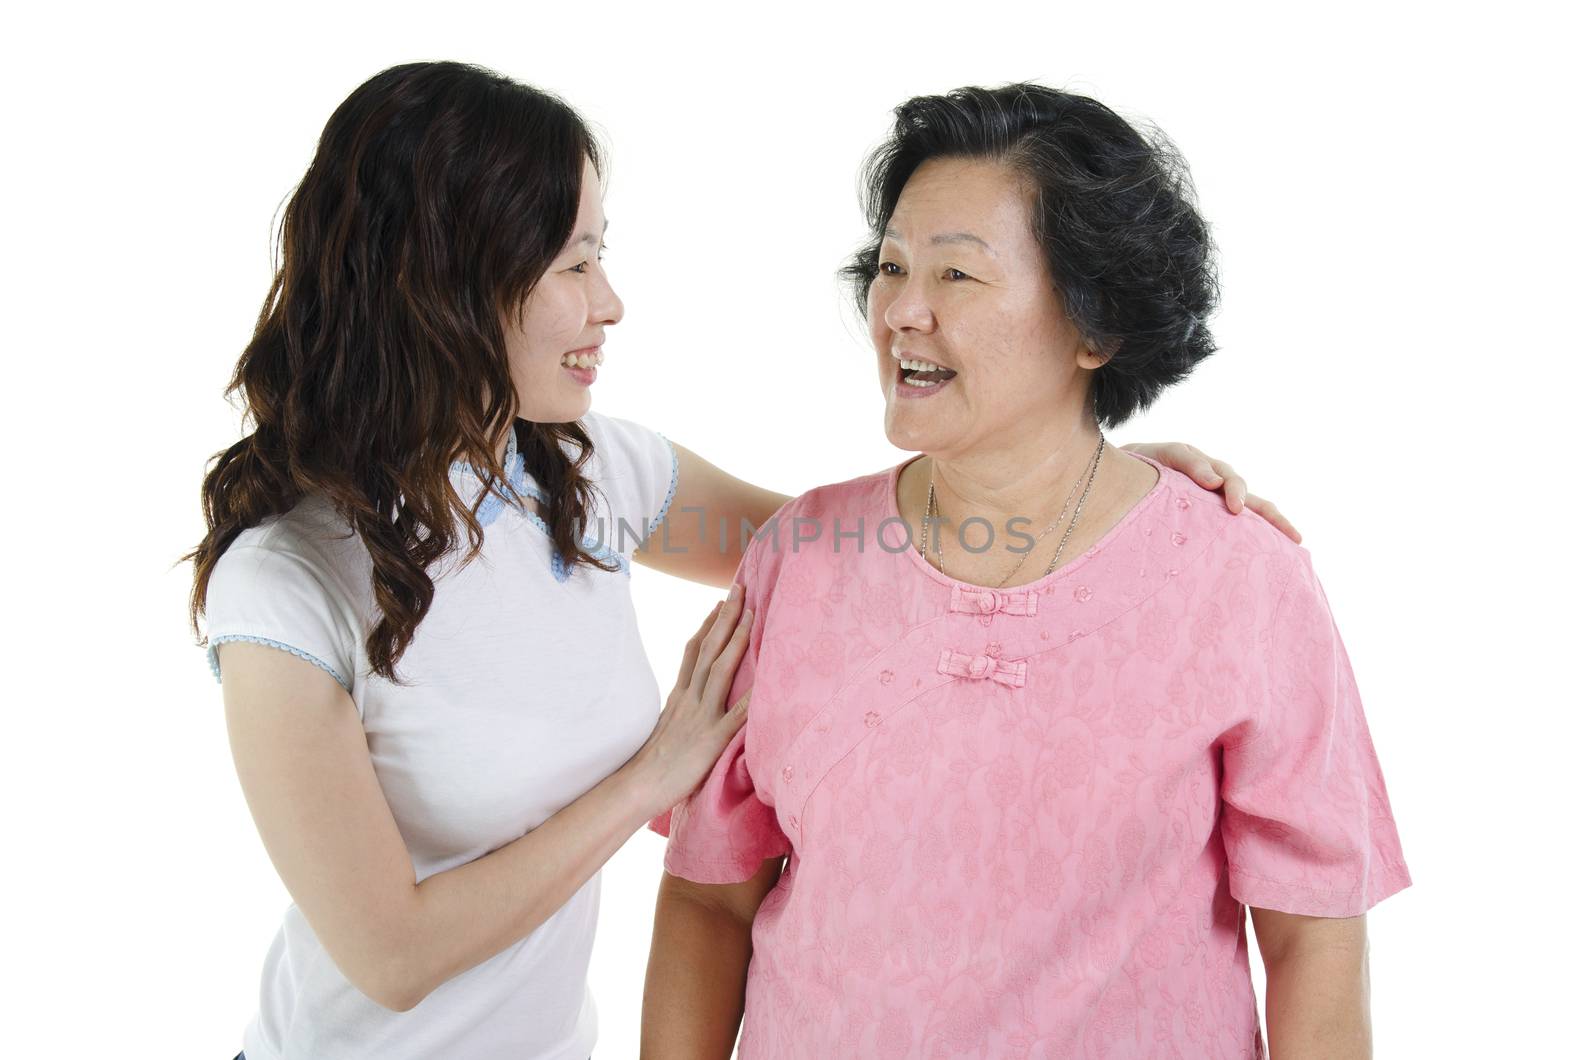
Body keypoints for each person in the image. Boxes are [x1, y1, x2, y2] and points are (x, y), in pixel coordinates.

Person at [190, 63, 1296, 1060]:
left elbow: (856, 551)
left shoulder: (589, 476)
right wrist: (654, 777)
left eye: (600, 251)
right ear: (444, 286)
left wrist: (1079, 470)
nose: (608, 302)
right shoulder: (284, 586)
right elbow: (393, 954)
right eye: (571, 261)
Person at [643, 83, 1409, 1059]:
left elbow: (1311, 939)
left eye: (957, 276)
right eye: (891, 268)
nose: (902, 312)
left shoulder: (1238, 576)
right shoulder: (799, 555)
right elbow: (710, 900)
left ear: (1095, 328)